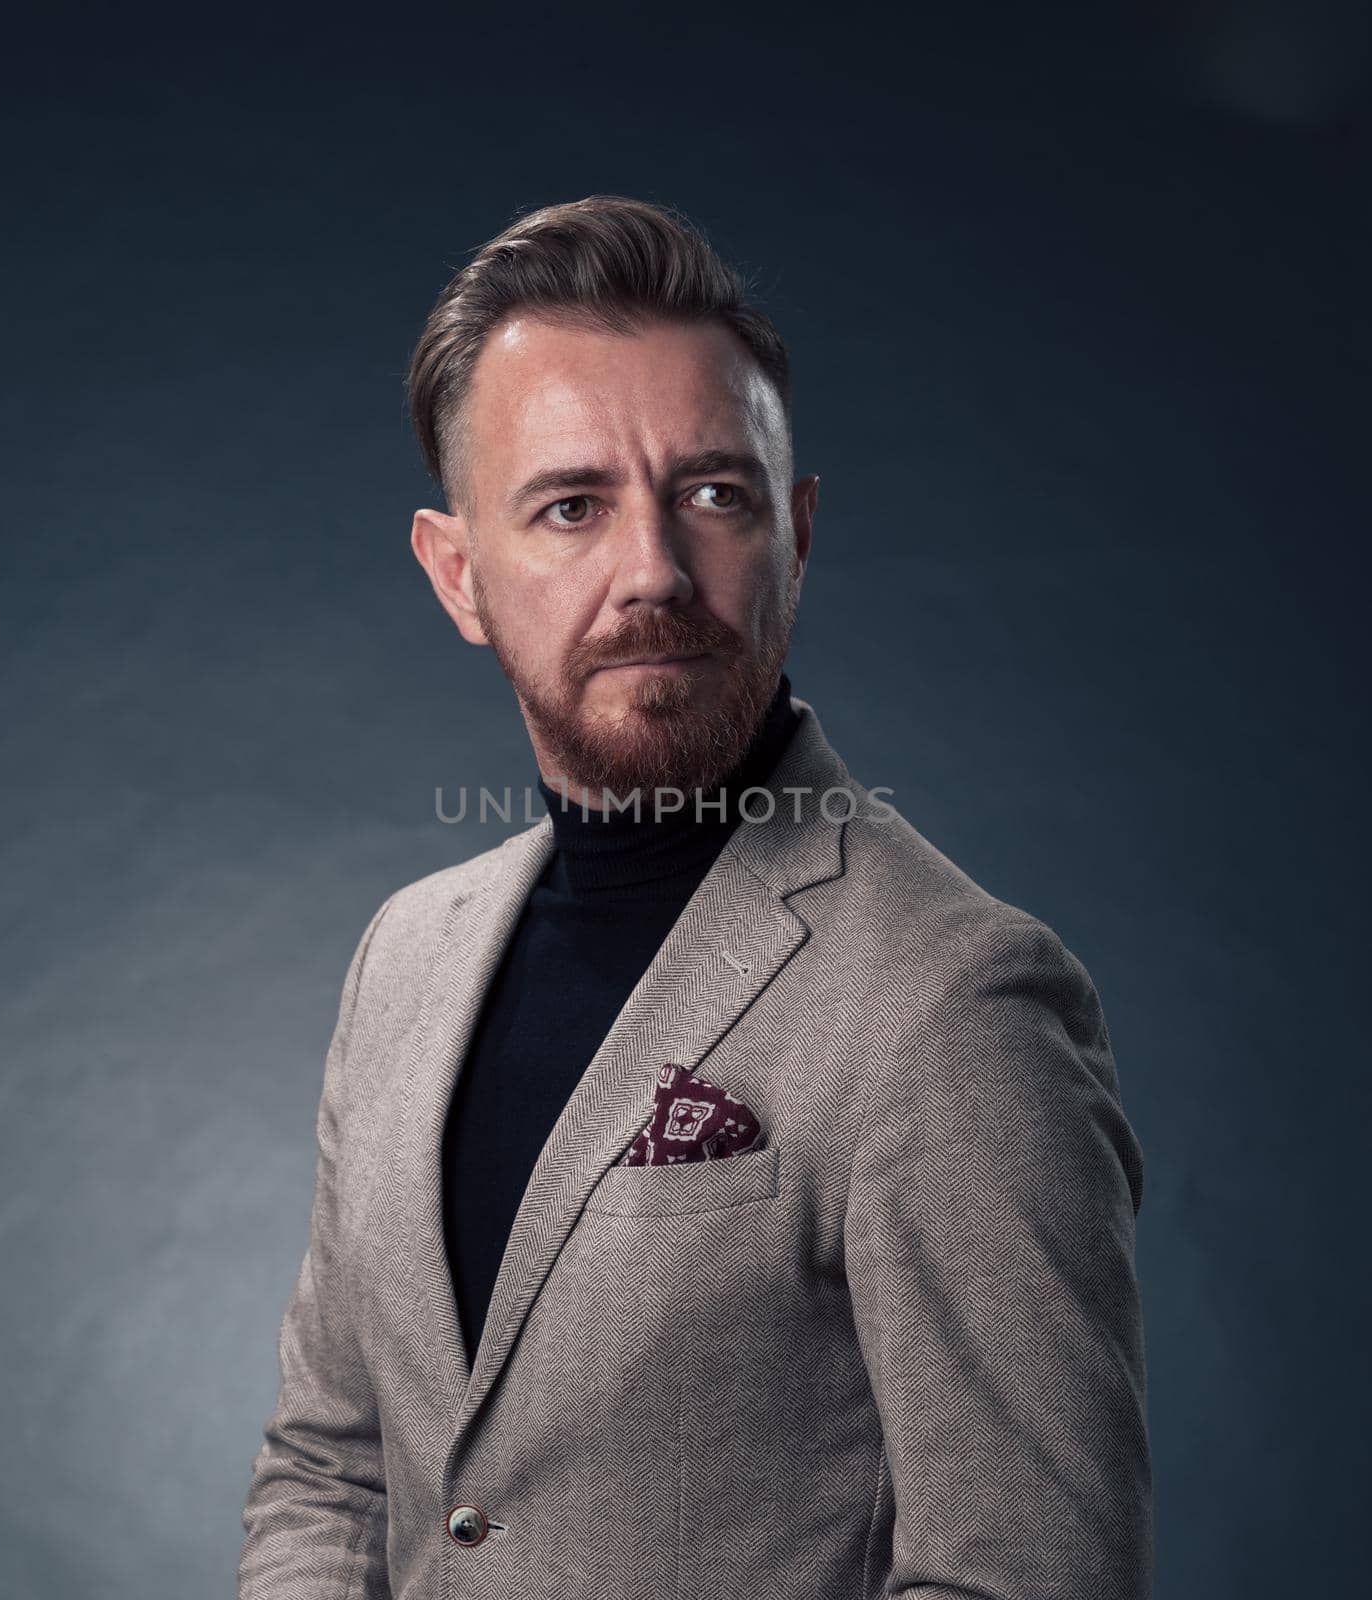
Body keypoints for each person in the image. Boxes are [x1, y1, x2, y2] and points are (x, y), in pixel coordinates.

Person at [238, 194, 1153, 1600]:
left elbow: (1025, 1583)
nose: (654, 571)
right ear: (458, 573)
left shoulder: (955, 1003)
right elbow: (330, 1471)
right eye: (571, 506)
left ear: (795, 532)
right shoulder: (403, 959)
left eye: (714, 495)